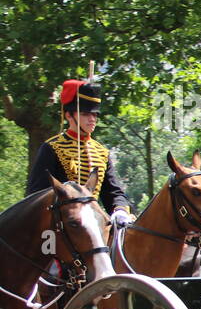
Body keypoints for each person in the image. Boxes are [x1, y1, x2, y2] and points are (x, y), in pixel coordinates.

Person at [27, 78, 132, 224]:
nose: (92, 119)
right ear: (69, 115)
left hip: (96, 224)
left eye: (95, 115)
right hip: (61, 226)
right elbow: (36, 195)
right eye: (85, 114)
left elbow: (113, 192)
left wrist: (120, 210)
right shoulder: (52, 148)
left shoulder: (101, 152)